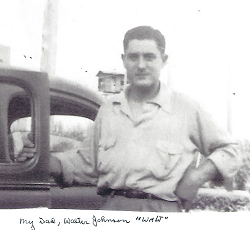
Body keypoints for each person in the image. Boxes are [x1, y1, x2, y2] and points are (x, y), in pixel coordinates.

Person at [50, 26, 241, 212]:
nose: (141, 65)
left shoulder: (186, 108)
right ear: (124, 60)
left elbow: (231, 150)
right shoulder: (108, 110)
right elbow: (87, 163)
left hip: (161, 213)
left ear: (163, 60)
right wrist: (48, 162)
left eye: (149, 57)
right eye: (134, 57)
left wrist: (196, 177)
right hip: (113, 211)